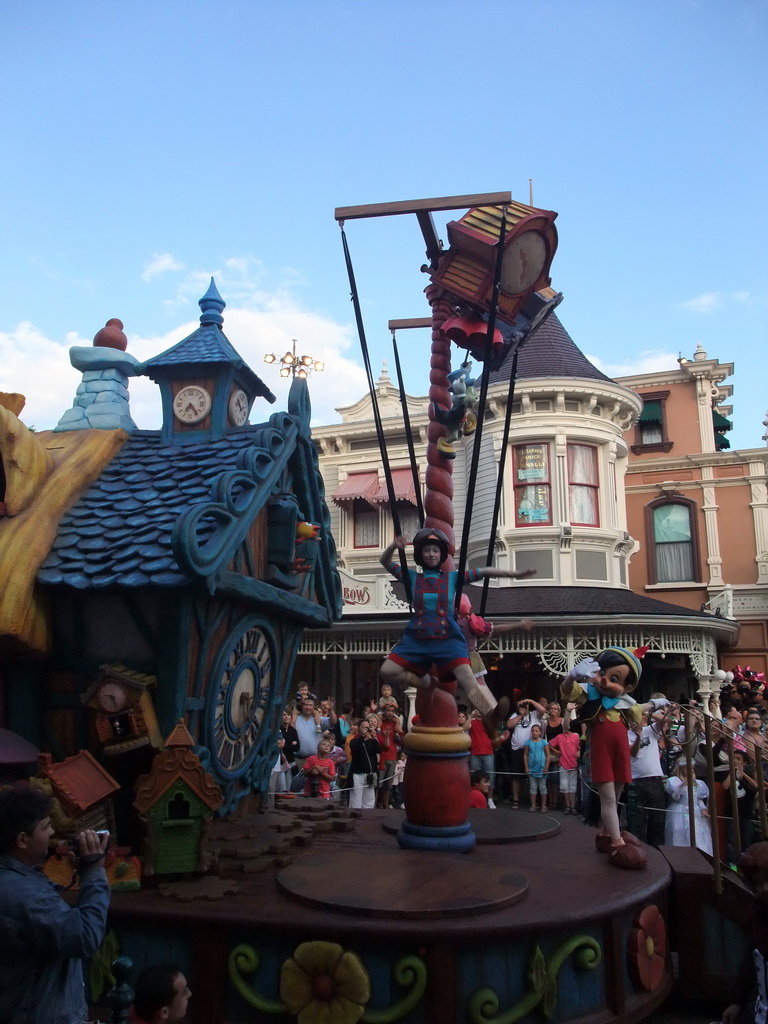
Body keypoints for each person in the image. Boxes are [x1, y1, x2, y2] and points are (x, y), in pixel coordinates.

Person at [379, 529, 535, 729]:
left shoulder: (451, 578)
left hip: (446, 637)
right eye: (427, 550)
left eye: (436, 550)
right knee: (388, 670)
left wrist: (515, 573)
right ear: (420, 554)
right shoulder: (412, 578)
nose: (432, 554)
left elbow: (484, 571)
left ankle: (491, 713)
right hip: (418, 637)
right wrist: (393, 546)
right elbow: (385, 562)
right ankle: (426, 683)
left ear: (441, 554)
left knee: (467, 675)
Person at [0, 786, 110, 1024]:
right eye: (45, 826)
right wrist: (94, 872)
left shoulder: (15, 881)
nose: (52, 832)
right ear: (21, 840)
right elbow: (84, 937)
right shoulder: (30, 898)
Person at [561, 646, 669, 869]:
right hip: (601, 753)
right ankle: (617, 842)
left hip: (620, 754)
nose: (605, 681)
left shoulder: (625, 702)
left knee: (616, 796)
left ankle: (607, 833)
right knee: (609, 798)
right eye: (603, 674)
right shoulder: (588, 695)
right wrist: (571, 676)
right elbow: (566, 691)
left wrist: (657, 704)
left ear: (627, 686)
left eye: (614, 679)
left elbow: (639, 707)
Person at [627, 706, 668, 848]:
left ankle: (658, 849)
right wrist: (638, 736)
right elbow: (633, 752)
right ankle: (640, 849)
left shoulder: (650, 730)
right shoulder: (626, 734)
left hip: (654, 779)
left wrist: (646, 712)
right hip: (637, 781)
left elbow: (666, 720)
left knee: (657, 820)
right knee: (638, 821)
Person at [663, 758, 712, 855]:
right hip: (680, 812)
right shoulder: (674, 781)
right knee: (680, 836)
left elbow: (698, 798)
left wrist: (703, 809)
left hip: (695, 812)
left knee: (698, 835)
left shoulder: (698, 783)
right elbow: (676, 797)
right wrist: (683, 783)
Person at [507, 697, 548, 808]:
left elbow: (543, 710)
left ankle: (534, 801)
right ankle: (516, 799)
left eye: (525, 705)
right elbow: (509, 725)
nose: (523, 707)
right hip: (517, 750)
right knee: (516, 776)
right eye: (520, 705)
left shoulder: (534, 714)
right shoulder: (515, 715)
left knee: (533, 776)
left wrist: (530, 701)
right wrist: (521, 714)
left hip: (532, 751)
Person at [549, 711, 580, 815]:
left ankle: (573, 806)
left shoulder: (576, 736)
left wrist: (579, 752)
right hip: (563, 764)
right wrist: (558, 752)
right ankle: (568, 805)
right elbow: (549, 744)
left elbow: (581, 747)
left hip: (574, 764)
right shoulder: (559, 737)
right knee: (564, 786)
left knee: (573, 787)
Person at [348, 719, 384, 809]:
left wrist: (374, 738)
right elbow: (354, 750)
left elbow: (379, 750)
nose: (366, 729)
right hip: (357, 774)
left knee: (369, 801)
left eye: (368, 727)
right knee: (356, 800)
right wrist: (364, 739)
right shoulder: (355, 741)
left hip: (369, 774)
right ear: (359, 728)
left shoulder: (372, 741)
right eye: (364, 727)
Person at [524, 724, 550, 811]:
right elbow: (525, 754)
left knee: (542, 787)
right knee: (533, 786)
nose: (534, 733)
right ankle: (533, 805)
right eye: (533, 731)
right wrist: (526, 767)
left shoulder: (544, 742)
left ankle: (543, 805)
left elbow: (548, 755)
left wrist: (546, 767)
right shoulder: (528, 742)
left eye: (536, 731)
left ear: (540, 732)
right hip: (532, 768)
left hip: (542, 768)